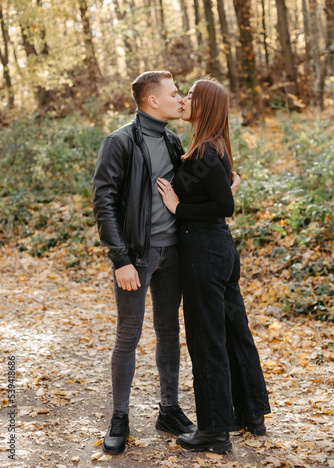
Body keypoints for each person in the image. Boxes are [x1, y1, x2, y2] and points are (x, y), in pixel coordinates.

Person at [93, 71, 241, 455]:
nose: (181, 100)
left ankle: (169, 409)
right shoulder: (120, 141)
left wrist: (227, 184)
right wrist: (120, 258)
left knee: (169, 332)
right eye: (175, 94)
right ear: (153, 101)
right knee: (128, 335)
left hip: (176, 252)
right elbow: (104, 203)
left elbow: (196, 185)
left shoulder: (175, 140)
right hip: (137, 256)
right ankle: (119, 418)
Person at [157, 77, 271, 454]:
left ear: (205, 106)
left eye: (191, 96)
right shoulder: (212, 146)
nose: (185, 100)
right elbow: (221, 192)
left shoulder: (205, 150)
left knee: (207, 339)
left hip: (205, 251)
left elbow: (224, 206)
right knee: (234, 329)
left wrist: (178, 208)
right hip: (219, 250)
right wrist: (224, 187)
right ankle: (251, 413)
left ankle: (214, 430)